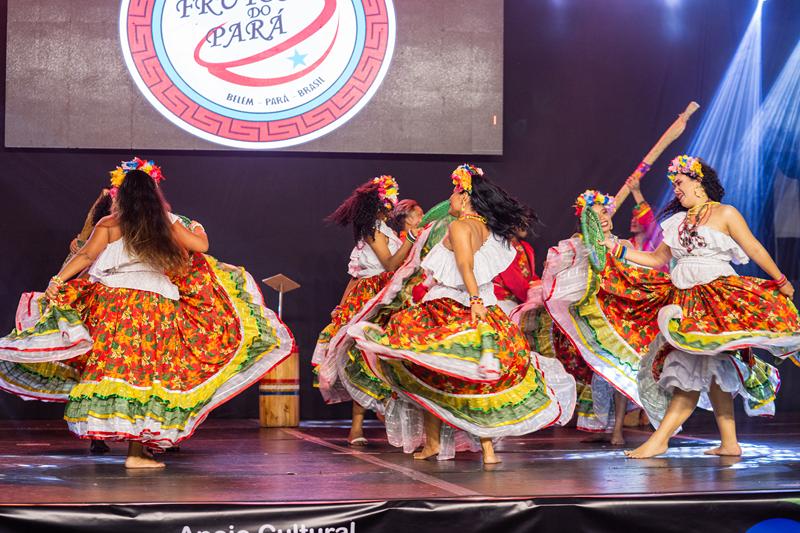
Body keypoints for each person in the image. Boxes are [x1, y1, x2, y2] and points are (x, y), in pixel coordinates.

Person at [0, 158, 294, 468]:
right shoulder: (166, 222)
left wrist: (58, 280)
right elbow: (201, 245)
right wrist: (196, 226)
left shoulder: (109, 224)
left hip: (113, 304)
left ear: (122, 195)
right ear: (153, 195)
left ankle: (134, 448)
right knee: (148, 374)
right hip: (155, 306)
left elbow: (85, 255)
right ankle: (136, 453)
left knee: (117, 371)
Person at [349, 164, 575, 464]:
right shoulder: (486, 228)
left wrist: (474, 300)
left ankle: (435, 443)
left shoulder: (459, 227)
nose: (450, 199)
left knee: (427, 369)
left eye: (454, 194)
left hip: (453, 305)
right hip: (485, 307)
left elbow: (466, 266)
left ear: (466, 198)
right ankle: (485, 449)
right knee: (467, 377)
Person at [584, 155, 798, 458]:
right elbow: (657, 259)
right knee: (713, 370)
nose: (676, 190)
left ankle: (660, 440)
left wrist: (780, 280)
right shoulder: (677, 222)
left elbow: (753, 247)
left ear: (699, 182)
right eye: (674, 185)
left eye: (680, 183)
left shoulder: (725, 213)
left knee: (691, 368)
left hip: (716, 300)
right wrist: (616, 248)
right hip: (686, 301)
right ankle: (729, 443)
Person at [312, 176, 418, 446]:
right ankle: (357, 426)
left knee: (387, 360)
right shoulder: (372, 230)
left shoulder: (386, 231)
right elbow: (388, 264)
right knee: (364, 358)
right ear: (381, 205)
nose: (393, 205)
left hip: (390, 293)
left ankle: (384, 420)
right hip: (373, 297)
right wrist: (411, 240)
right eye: (390, 201)